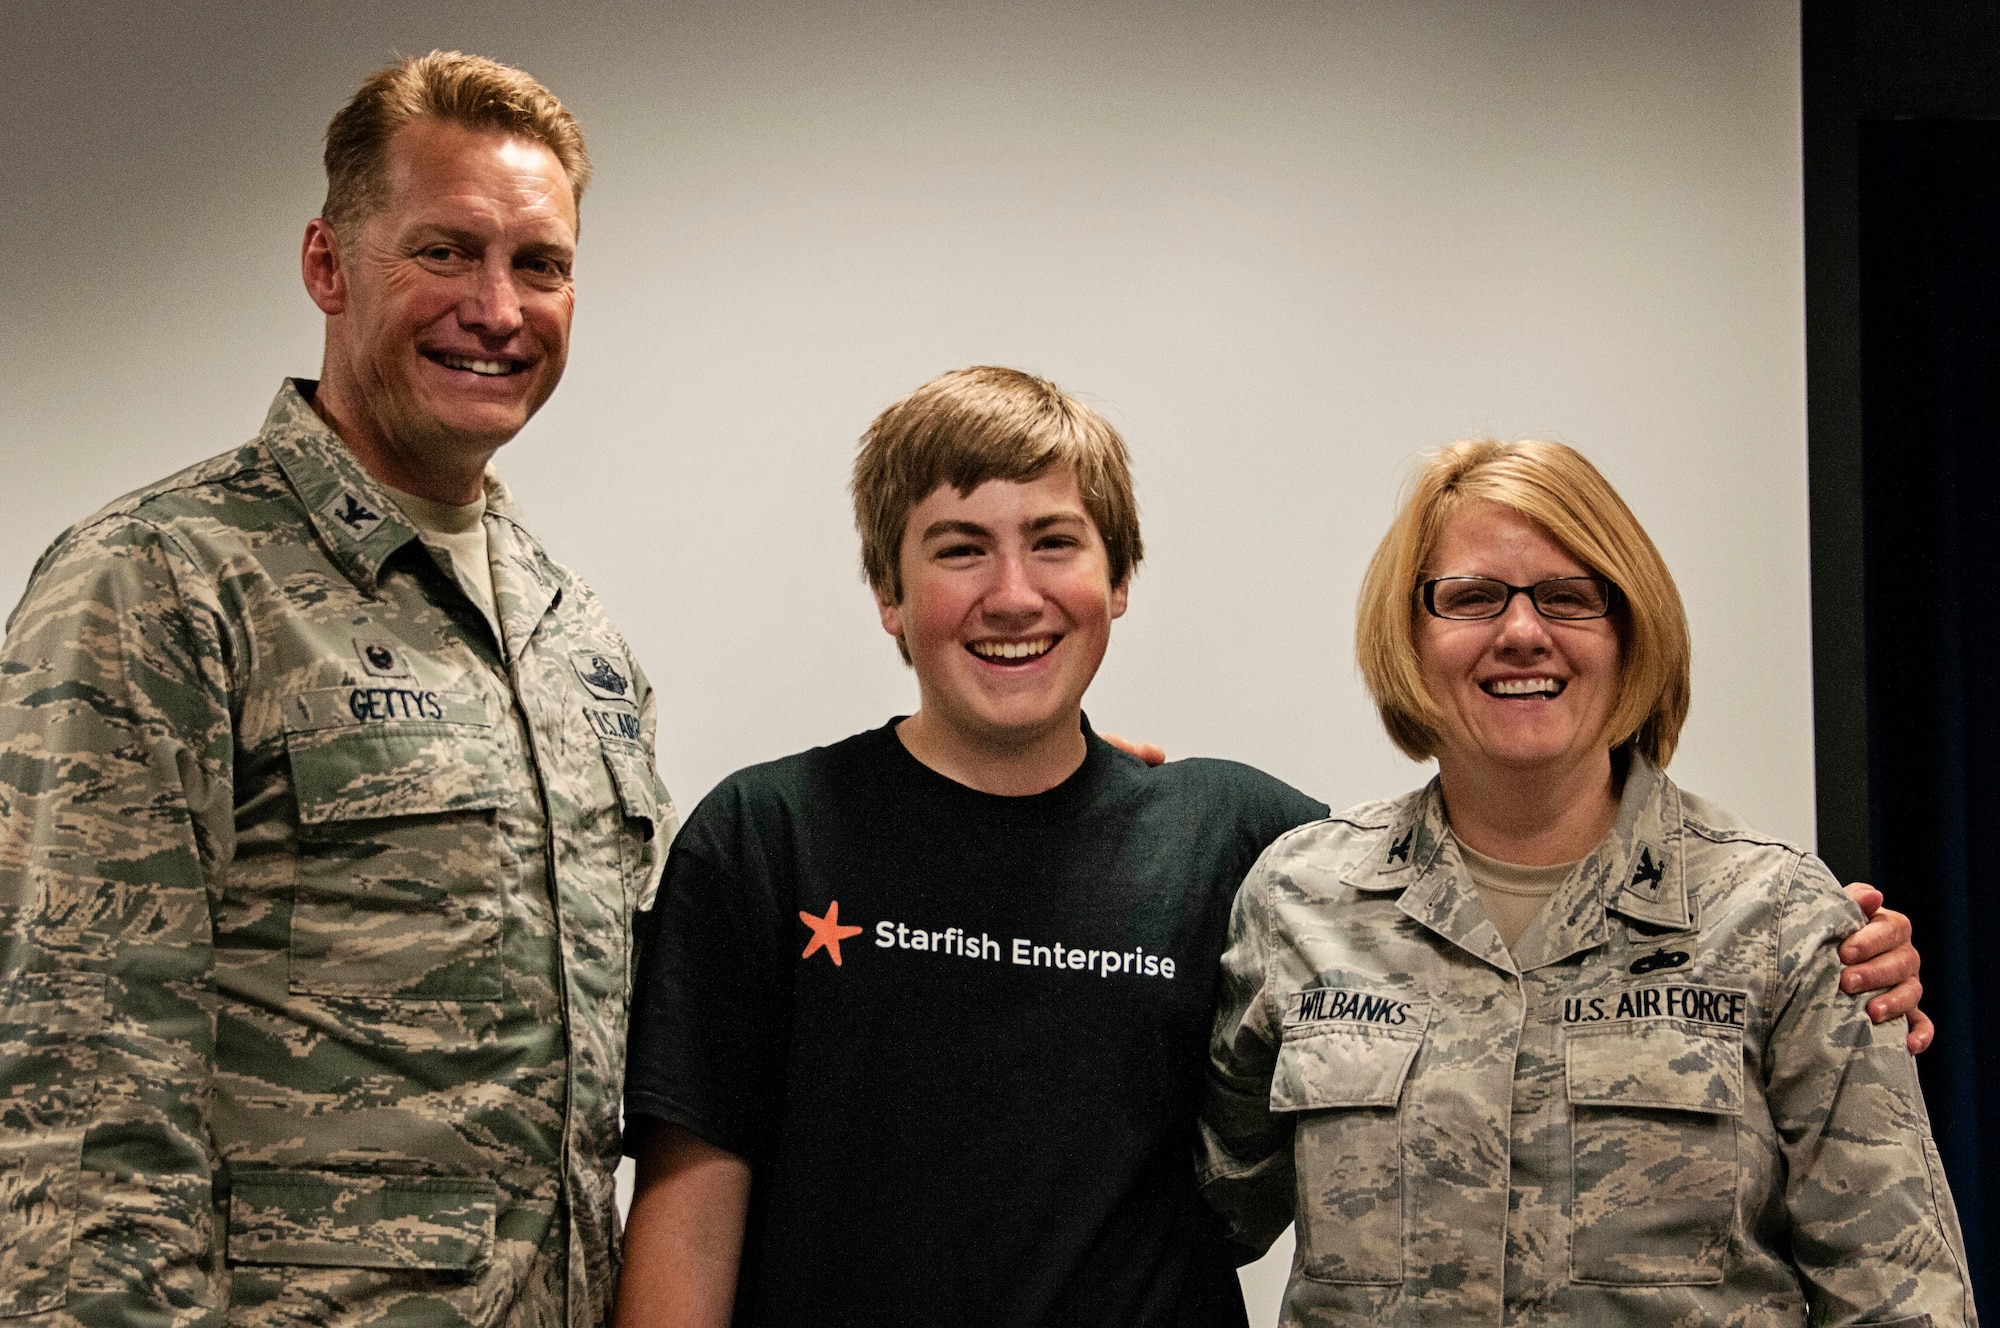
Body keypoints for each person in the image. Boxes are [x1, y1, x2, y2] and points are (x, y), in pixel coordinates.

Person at [615, 373, 1924, 1328]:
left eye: (1055, 543)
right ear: (891, 596)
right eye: (960, 553)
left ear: (1116, 579)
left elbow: (1899, 1285)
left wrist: (1858, 959)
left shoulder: (1250, 847)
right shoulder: (775, 835)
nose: (1012, 593)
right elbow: (693, 1194)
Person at [0, 52, 670, 1328]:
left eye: (540, 264)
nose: (498, 306)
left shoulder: (575, 635)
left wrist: (1037, 795)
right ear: (326, 265)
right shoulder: (163, 581)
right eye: (445, 251)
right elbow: (75, 1091)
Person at [1199, 439, 1974, 1326]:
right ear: (1408, 635)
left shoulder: (1780, 917)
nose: (1523, 632)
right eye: (1473, 598)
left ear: (1630, 628)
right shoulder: (1299, 899)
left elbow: (1900, 1296)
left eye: (1570, 597)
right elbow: (1187, 1217)